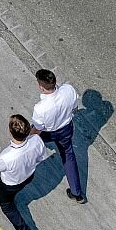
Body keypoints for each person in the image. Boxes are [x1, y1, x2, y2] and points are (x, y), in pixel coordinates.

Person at [0, 115, 47, 230]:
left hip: (9, 186)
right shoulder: (36, 140)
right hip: (28, 177)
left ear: (11, 132)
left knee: (7, 206)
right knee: (15, 194)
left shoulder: (6, 156)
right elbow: (41, 158)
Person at [30, 69, 86, 203]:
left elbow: (37, 129)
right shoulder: (68, 90)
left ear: (41, 87)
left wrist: (26, 136)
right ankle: (77, 193)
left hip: (49, 133)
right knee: (68, 156)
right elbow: (74, 108)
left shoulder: (40, 108)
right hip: (66, 130)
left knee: (30, 141)